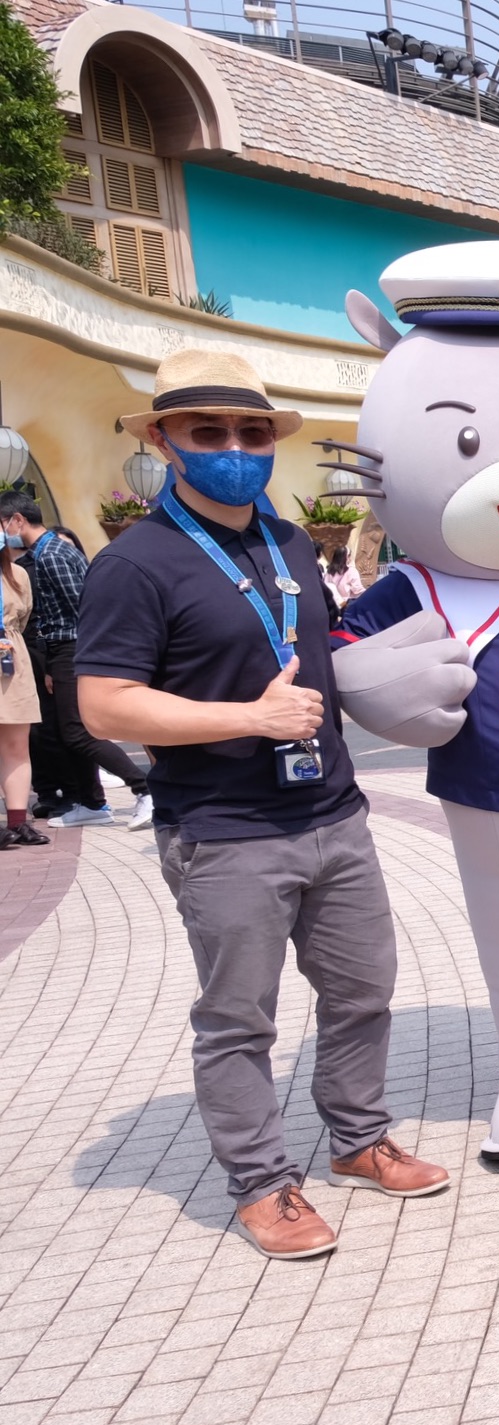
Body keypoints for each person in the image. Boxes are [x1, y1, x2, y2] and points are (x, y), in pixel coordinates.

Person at [75, 349, 449, 1259]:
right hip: (225, 830)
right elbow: (103, 703)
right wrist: (247, 716)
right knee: (240, 1017)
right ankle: (262, 1184)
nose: (235, 447)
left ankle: (358, 1140)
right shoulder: (137, 563)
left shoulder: (284, 541)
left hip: (332, 812)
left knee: (363, 991)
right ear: (166, 442)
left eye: (250, 431)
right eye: (210, 432)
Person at [0, 494, 154, 829]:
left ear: (17, 520)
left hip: (73, 647)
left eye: (2, 523)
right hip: (61, 649)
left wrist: (82, 659)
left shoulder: (52, 555)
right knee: (69, 730)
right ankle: (91, 803)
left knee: (78, 731)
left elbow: (84, 607)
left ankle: (144, 788)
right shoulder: (46, 553)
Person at [0, 503, 46, 849]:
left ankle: (19, 821)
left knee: (17, 744)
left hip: (11, 664)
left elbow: (25, 618)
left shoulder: (18, 575)